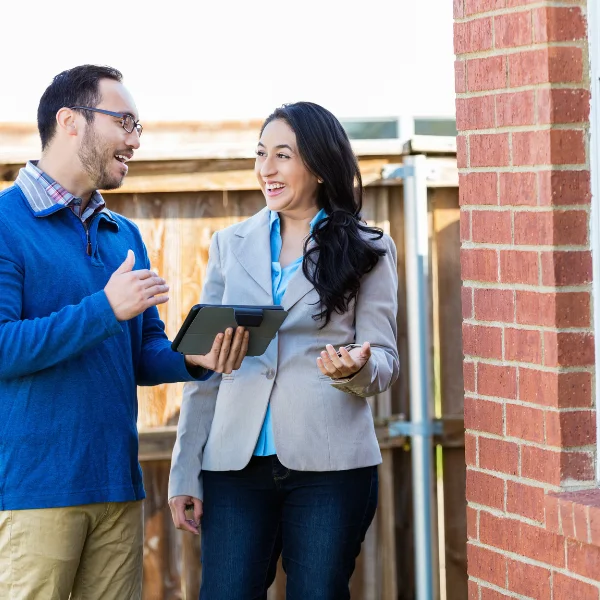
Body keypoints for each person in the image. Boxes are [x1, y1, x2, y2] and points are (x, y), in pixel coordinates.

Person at [0, 64, 248, 600]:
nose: (136, 140)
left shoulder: (123, 233)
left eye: (140, 127)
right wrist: (105, 309)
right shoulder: (5, 224)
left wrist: (193, 357)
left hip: (118, 486)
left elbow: (144, 353)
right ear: (70, 121)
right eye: (126, 122)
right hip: (34, 493)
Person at [168, 101, 399, 599]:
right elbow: (207, 368)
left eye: (281, 156)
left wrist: (355, 368)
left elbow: (384, 359)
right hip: (234, 466)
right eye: (260, 154)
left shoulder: (368, 248)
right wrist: (185, 469)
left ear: (316, 166)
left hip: (330, 467)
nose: (265, 169)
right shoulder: (230, 244)